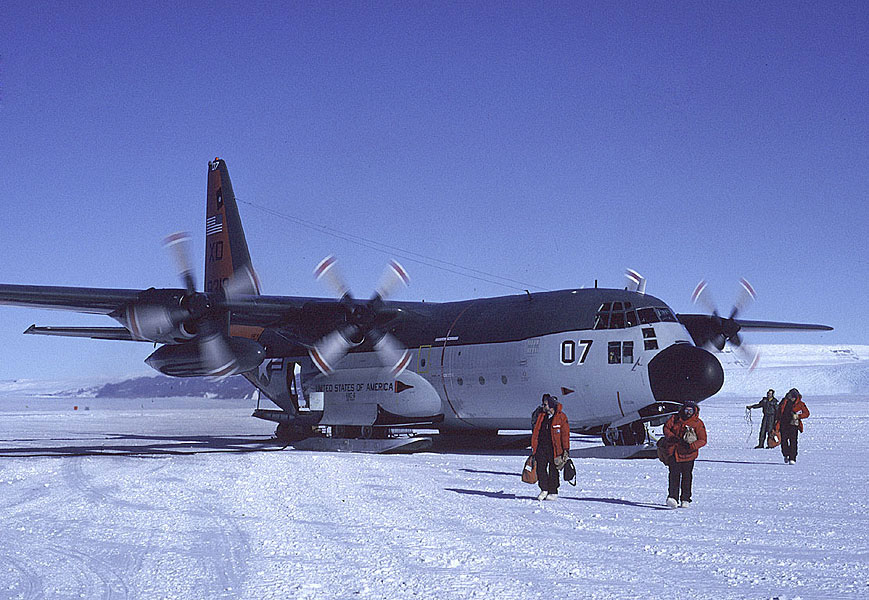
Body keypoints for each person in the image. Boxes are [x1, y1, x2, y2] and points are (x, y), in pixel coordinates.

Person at [662, 401, 707, 508]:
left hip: (688, 455)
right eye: (686, 410)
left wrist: (692, 446)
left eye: (690, 410)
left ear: (694, 411)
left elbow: (703, 440)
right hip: (674, 452)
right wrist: (671, 437)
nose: (688, 412)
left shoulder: (697, 423)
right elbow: (666, 428)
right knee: (674, 475)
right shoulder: (675, 419)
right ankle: (673, 497)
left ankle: (685, 499)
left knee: (687, 477)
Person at [530, 395, 569, 501]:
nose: (543, 406)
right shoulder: (541, 416)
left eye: (545, 404)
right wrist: (534, 447)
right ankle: (544, 489)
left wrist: (566, 449)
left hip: (555, 448)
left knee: (553, 470)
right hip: (541, 447)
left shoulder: (561, 417)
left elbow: (565, 434)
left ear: (551, 405)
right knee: (540, 468)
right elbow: (536, 431)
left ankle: (553, 491)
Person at [774, 388, 810, 464]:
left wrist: (798, 416)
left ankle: (792, 458)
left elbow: (807, 413)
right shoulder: (784, 402)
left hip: (793, 425)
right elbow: (778, 412)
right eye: (791, 396)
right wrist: (776, 421)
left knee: (793, 441)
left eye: (794, 396)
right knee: (783, 440)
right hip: (783, 424)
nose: (792, 398)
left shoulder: (800, 404)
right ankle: (786, 454)